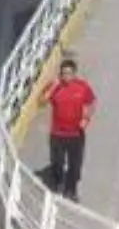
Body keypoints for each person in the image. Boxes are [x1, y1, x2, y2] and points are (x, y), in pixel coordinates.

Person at [39, 57, 96, 202]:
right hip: (57, 134)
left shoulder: (82, 87)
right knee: (57, 162)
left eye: (69, 73)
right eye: (64, 73)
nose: (66, 77)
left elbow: (91, 102)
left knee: (75, 164)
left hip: (76, 134)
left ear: (75, 74)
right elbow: (42, 102)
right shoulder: (55, 87)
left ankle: (71, 190)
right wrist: (53, 86)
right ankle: (58, 184)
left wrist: (86, 118)